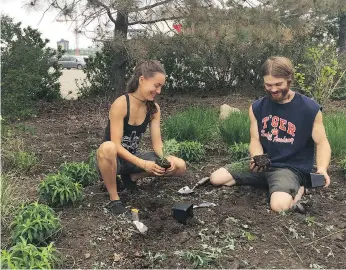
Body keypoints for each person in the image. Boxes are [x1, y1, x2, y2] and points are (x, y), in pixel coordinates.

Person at [210, 56, 331, 212]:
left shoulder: (309, 109)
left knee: (279, 206)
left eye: (278, 84)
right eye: (268, 85)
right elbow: (255, 140)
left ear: (289, 80)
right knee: (216, 178)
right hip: (266, 164)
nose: (273, 89)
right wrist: (258, 158)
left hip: (290, 168)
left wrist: (322, 168)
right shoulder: (257, 107)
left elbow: (322, 143)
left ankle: (299, 187)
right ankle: (273, 184)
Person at [96, 60, 186, 215]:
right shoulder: (121, 104)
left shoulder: (154, 109)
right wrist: (143, 163)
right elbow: (116, 145)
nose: (159, 91)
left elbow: (157, 144)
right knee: (108, 147)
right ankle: (114, 198)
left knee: (180, 165)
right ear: (142, 80)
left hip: (132, 160)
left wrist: (166, 159)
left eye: (161, 87)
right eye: (156, 85)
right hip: (111, 161)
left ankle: (131, 177)